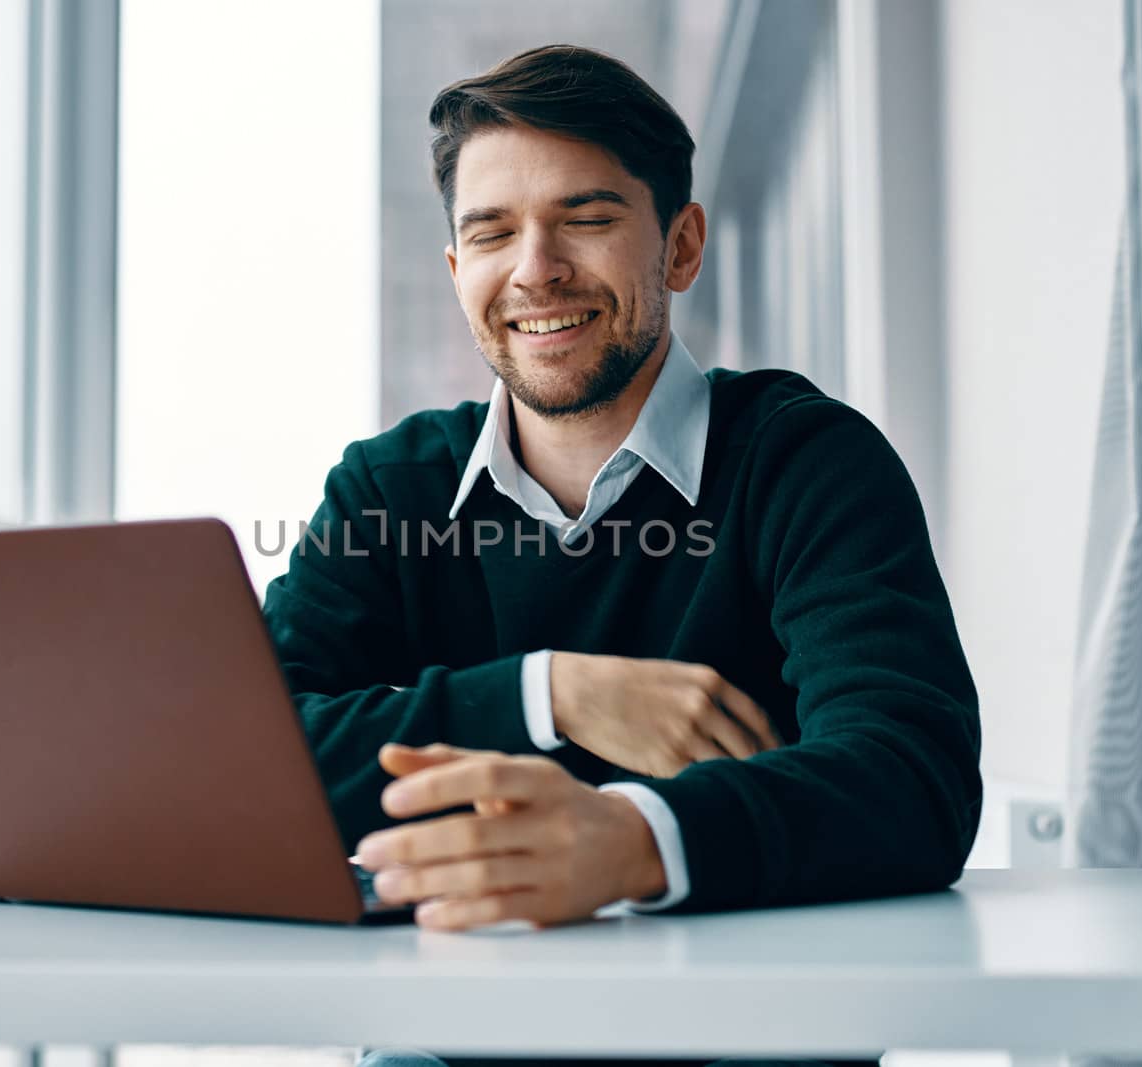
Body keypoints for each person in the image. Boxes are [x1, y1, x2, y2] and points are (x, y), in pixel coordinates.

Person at [259, 42, 982, 1067]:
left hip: (749, 1044)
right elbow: (258, 759)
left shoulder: (807, 462)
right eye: (492, 232)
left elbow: (914, 776)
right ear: (458, 270)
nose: (535, 268)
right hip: (450, 1041)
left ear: (680, 247)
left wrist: (633, 840)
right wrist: (548, 695)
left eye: (586, 219)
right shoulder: (387, 488)